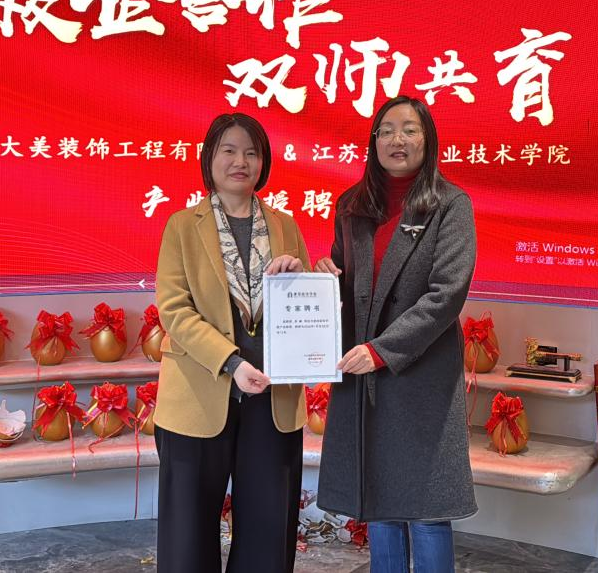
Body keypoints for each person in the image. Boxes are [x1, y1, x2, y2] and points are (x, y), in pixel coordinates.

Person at [315, 95, 477, 573]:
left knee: (426, 506)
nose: (396, 139)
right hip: (364, 372)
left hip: (419, 372)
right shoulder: (352, 205)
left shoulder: (450, 204)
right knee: (378, 501)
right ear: (374, 142)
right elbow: (346, 280)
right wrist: (324, 275)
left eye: (409, 129)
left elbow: (446, 294)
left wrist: (382, 350)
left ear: (428, 139)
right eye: (385, 130)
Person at [152, 112, 309, 573]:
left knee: (267, 528)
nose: (241, 161)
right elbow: (175, 310)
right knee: (187, 533)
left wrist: (301, 276)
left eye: (251, 152)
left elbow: (304, 304)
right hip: (199, 393)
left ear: (263, 162)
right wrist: (232, 362)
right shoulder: (182, 225)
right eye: (229, 150)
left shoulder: (285, 226)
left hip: (273, 396)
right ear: (210, 158)